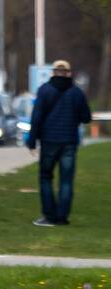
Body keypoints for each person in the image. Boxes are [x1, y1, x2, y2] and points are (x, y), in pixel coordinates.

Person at [27, 59, 92, 227]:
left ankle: (49, 216)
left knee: (46, 177)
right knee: (66, 180)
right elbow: (86, 117)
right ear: (69, 73)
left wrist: (32, 141)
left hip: (49, 141)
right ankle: (62, 217)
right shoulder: (77, 93)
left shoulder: (44, 90)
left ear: (53, 72)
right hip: (69, 141)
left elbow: (37, 117)